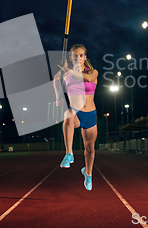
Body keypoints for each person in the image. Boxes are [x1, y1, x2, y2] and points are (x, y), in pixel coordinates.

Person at [53, 44, 98, 191]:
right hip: (76, 113)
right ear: (70, 58)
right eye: (74, 55)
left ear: (85, 57)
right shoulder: (66, 74)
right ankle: (69, 153)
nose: (78, 58)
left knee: (90, 150)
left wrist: (68, 71)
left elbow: (87, 78)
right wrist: (58, 97)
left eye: (80, 55)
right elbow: (55, 79)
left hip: (90, 115)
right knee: (68, 114)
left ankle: (88, 174)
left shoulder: (92, 72)